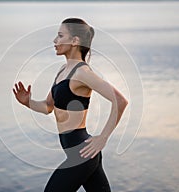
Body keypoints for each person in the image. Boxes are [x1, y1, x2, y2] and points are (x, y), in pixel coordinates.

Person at [13, 18, 128, 192]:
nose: (55, 41)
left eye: (60, 36)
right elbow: (47, 107)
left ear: (75, 41)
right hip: (83, 152)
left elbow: (120, 101)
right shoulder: (62, 70)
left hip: (82, 154)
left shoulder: (82, 72)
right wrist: (27, 102)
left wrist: (102, 138)